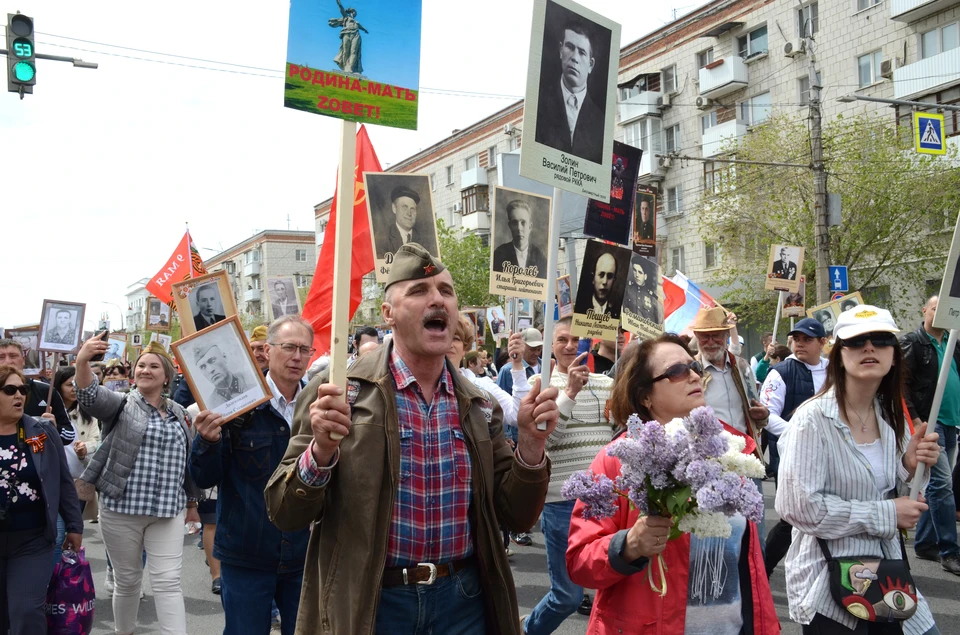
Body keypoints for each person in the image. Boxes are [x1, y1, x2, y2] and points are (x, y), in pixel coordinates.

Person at [264, 243, 561, 635]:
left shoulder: (478, 404)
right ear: (387, 313)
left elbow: (517, 516)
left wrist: (531, 445)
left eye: (446, 291)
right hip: (375, 605)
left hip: (465, 602)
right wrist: (321, 451)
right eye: (419, 291)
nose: (437, 299)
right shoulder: (337, 391)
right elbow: (285, 512)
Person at [566, 334, 778, 634]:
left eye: (693, 366)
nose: (693, 375)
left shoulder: (731, 451)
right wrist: (626, 546)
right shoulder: (620, 460)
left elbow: (751, 571)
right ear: (645, 396)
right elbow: (579, 561)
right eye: (676, 371)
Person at [775, 306, 942, 634]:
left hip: (889, 574)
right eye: (856, 341)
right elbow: (797, 507)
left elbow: (909, 501)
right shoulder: (811, 420)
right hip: (831, 584)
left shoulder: (891, 416)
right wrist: (886, 514)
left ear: (894, 355)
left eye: (881, 339)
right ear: (838, 355)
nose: (869, 347)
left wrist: (910, 469)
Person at [190, 316, 316, 633]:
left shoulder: (320, 405)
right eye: (289, 347)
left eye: (305, 349)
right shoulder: (237, 404)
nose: (297, 357)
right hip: (246, 555)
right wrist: (207, 441)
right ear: (266, 351)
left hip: (305, 555)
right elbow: (204, 477)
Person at [75, 339, 202, 635]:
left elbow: (187, 463)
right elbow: (90, 396)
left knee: (168, 581)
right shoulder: (119, 404)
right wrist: (82, 361)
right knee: (129, 580)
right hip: (121, 510)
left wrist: (192, 506)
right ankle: (125, 631)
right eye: (141, 365)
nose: (146, 370)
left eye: (154, 366)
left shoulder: (181, 414)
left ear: (167, 376)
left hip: (168, 511)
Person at [522, 316, 615, 634]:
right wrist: (571, 391)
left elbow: (619, 438)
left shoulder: (606, 384)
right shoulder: (542, 386)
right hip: (562, 504)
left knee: (612, 588)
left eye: (576, 339)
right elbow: (547, 437)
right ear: (550, 345)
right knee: (567, 596)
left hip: (605, 504)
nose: (571, 346)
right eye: (562, 340)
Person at [0, 365, 83, 635]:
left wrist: (74, 525)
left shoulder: (39, 433)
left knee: (25, 610)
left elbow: (61, 479)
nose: (19, 396)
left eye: (23, 390)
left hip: (32, 541)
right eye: (10, 390)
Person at [759, 318, 829, 576]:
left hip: (830, 456)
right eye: (796, 339)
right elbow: (766, 414)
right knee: (793, 517)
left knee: (825, 515)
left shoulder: (836, 371)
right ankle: (761, 571)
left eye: (807, 339)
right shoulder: (781, 373)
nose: (800, 344)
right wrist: (799, 435)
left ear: (822, 342)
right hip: (792, 456)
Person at [901, 295, 960, 575]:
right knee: (942, 485)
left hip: (950, 423)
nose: (940, 313)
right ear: (924, 310)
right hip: (928, 425)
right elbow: (901, 383)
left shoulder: (952, 343)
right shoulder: (914, 342)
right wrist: (916, 421)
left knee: (934, 486)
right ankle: (950, 550)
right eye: (935, 308)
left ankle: (925, 543)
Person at [534, 19, 604, 163]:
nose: (574, 58)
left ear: (591, 64)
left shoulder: (600, 122)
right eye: (570, 47)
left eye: (582, 52)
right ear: (561, 50)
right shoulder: (538, 106)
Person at [0, 338, 74, 445]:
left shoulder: (46, 391)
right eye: (1, 357)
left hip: (38, 458)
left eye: (13, 356)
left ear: (23, 359)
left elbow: (69, 435)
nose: (7, 361)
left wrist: (54, 428)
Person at [493, 200, 548, 276]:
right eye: (514, 223)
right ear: (510, 226)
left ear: (530, 226)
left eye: (523, 223)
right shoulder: (499, 255)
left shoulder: (540, 257)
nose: (519, 228)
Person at [194, 343, 252, 408]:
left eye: (212, 360)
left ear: (225, 358)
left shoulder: (252, 379)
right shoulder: (211, 406)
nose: (210, 370)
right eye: (203, 367)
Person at [575, 252, 620, 318]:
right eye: (601, 275)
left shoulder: (616, 312)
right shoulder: (580, 308)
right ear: (593, 278)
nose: (605, 282)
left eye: (610, 276)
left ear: (614, 280)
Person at [328, 0, 368, 75]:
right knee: (346, 51)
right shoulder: (346, 17)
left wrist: (365, 30)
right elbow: (342, 10)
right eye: (353, 12)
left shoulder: (356, 22)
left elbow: (361, 27)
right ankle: (345, 67)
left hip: (356, 35)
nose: (354, 13)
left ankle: (350, 68)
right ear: (350, 12)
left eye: (354, 12)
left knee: (354, 52)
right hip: (346, 33)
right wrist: (339, 3)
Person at [384, 185, 422, 254]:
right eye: (405, 207)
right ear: (394, 208)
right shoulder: (383, 239)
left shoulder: (425, 240)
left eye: (412, 209)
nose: (409, 213)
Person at [622, 255, 658, 322]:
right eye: (635, 270)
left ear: (645, 276)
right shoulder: (628, 289)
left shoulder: (652, 296)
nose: (637, 275)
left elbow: (657, 320)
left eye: (640, 272)